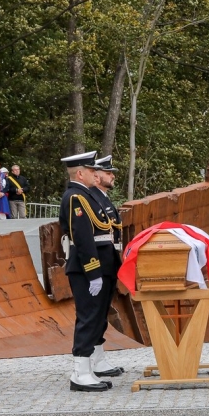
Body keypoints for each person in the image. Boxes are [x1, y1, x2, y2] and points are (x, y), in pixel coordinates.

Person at [59, 151, 118, 392]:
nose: (97, 174)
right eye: (92, 171)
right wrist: (93, 271)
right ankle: (80, 373)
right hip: (86, 268)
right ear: (80, 173)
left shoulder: (86, 196)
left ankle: (87, 369)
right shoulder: (75, 198)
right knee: (87, 318)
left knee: (95, 318)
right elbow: (82, 238)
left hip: (99, 266)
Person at [87, 155, 125, 377]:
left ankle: (99, 358)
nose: (112, 176)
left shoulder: (104, 198)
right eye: (108, 173)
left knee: (101, 313)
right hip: (98, 263)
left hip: (109, 262)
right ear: (96, 175)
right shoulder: (90, 198)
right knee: (94, 312)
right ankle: (91, 360)